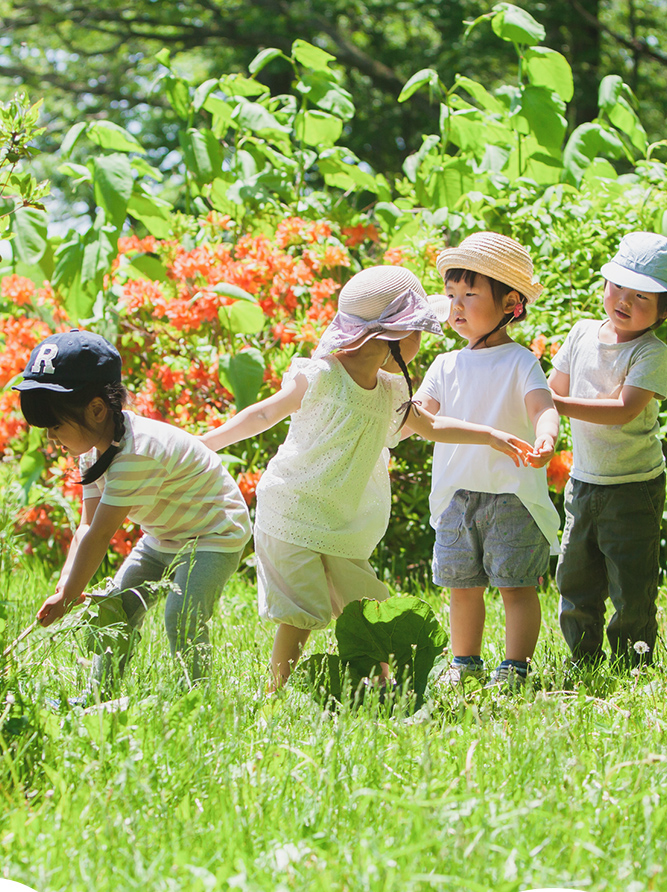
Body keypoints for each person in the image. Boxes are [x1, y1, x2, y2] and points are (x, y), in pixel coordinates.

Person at [201, 265, 534, 690]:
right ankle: (275, 695)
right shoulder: (322, 375)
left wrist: (489, 434)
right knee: (302, 611)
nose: (422, 341)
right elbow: (265, 411)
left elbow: (433, 426)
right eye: (418, 331)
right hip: (292, 509)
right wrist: (207, 442)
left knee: (367, 608)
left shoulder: (391, 391)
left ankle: (382, 689)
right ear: (396, 336)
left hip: (338, 521)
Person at [15, 329, 251, 698]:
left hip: (214, 534)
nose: (50, 438)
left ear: (96, 409)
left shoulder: (136, 454)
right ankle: (99, 693)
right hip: (165, 536)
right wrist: (65, 586)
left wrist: (70, 594)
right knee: (117, 608)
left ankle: (197, 698)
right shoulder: (93, 449)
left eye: (55, 425)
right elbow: (86, 525)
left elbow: (100, 534)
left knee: (182, 615)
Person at [415, 232, 560, 689]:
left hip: (511, 495)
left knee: (516, 585)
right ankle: (465, 662)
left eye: (470, 294)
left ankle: (515, 666)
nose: (456, 306)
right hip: (458, 495)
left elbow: (543, 406)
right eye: (451, 295)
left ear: (510, 302)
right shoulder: (444, 366)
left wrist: (547, 436)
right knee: (463, 585)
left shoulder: (520, 362)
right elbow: (418, 415)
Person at [549, 231, 667, 667]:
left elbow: (622, 410)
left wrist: (552, 403)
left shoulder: (651, 353)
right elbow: (554, 388)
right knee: (574, 575)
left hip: (633, 488)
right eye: (618, 288)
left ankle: (634, 660)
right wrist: (542, 426)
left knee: (630, 582)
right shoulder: (580, 335)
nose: (624, 302)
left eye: (642, 298)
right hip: (583, 481)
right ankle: (583, 657)